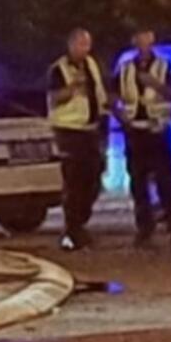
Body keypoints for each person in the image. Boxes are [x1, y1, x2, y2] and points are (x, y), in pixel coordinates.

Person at [116, 27, 171, 248]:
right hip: (135, 132)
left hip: (158, 131)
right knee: (138, 183)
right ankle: (144, 228)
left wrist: (154, 84)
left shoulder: (164, 66)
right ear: (134, 40)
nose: (143, 41)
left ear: (152, 39)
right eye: (139, 37)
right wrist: (121, 118)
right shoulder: (125, 68)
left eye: (146, 37)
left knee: (165, 182)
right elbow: (112, 95)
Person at [46, 28, 109, 251]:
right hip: (69, 130)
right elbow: (54, 98)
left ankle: (79, 222)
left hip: (90, 129)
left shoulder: (91, 64)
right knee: (74, 181)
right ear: (71, 45)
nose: (85, 49)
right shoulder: (59, 69)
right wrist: (73, 87)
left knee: (94, 177)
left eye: (87, 44)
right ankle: (74, 229)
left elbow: (99, 93)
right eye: (81, 44)